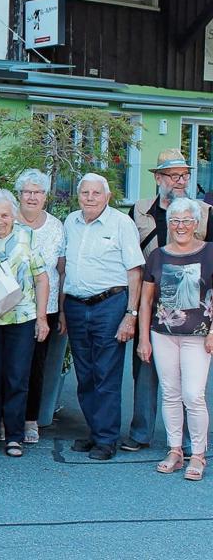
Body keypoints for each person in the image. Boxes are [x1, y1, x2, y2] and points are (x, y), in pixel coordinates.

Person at [125, 149, 213, 454]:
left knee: (190, 384)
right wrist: (132, 310)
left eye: (185, 175)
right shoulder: (139, 210)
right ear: (159, 178)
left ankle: (189, 443)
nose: (180, 181)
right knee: (145, 368)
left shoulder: (202, 210)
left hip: (193, 306)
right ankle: (140, 434)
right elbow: (129, 257)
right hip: (151, 299)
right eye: (174, 175)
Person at [62, 173, 145, 461]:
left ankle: (107, 439)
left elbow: (135, 271)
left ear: (107, 196)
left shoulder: (122, 224)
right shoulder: (70, 222)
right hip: (75, 305)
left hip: (109, 305)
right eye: (85, 192)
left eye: (96, 193)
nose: (89, 197)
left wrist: (130, 315)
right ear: (78, 195)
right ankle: (95, 431)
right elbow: (64, 268)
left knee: (106, 373)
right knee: (84, 375)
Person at [137, 197, 213, 481]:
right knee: (170, 393)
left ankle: (198, 454)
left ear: (196, 223)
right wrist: (144, 338)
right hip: (163, 334)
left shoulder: (210, 252)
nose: (180, 226)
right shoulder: (157, 256)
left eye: (186, 221)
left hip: (198, 335)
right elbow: (146, 302)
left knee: (194, 395)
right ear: (169, 224)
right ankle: (175, 450)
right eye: (175, 221)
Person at [0, 189, 49, 458]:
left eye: (5, 215)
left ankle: (14, 435)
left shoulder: (26, 236)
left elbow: (41, 278)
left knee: (17, 377)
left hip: (22, 318)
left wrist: (42, 317)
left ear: (14, 215)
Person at [15, 169, 67, 443]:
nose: (32, 197)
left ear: (45, 197)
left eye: (37, 192)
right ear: (19, 195)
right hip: (9, 308)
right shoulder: (7, 221)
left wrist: (62, 310)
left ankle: (30, 420)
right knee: (8, 365)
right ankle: (6, 418)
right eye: (27, 192)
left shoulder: (56, 227)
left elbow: (61, 270)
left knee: (36, 365)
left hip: (45, 308)